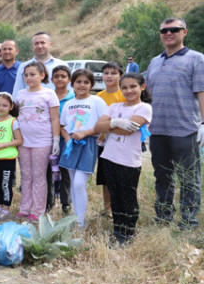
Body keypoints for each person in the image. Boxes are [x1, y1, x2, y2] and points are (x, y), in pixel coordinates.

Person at [145, 17, 204, 229]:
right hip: (159, 130)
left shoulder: (197, 59)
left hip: (185, 129)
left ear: (184, 32)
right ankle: (163, 218)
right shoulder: (154, 62)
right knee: (162, 176)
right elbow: (151, 92)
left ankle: (188, 223)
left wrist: (203, 124)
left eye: (174, 29)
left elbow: (201, 92)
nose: (169, 33)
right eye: (164, 30)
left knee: (189, 179)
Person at [95, 72, 151, 245]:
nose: (129, 90)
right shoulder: (114, 107)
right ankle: (118, 230)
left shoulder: (144, 108)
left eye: (133, 86)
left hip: (128, 161)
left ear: (142, 87)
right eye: (124, 87)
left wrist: (110, 126)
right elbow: (98, 127)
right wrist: (115, 123)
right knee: (115, 196)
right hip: (109, 157)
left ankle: (129, 233)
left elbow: (129, 130)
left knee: (127, 197)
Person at [59, 69, 107, 229]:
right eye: (78, 82)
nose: (82, 85)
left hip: (88, 144)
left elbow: (104, 124)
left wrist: (85, 132)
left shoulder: (96, 101)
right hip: (71, 145)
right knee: (73, 182)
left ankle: (81, 221)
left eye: (86, 82)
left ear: (91, 85)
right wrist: (66, 137)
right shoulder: (69, 104)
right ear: (72, 84)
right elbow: (63, 126)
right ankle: (76, 217)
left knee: (80, 183)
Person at [15, 61, 60, 222]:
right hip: (23, 141)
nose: (29, 77)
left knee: (39, 176)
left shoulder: (49, 94)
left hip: (42, 140)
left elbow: (55, 118)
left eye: (32, 74)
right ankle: (25, 207)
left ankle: (38, 210)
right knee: (26, 175)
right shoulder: (20, 94)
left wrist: (56, 140)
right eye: (26, 75)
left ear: (42, 75)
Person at [95, 62, 125, 217]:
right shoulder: (98, 96)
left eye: (113, 73)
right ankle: (108, 209)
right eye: (106, 73)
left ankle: (121, 206)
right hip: (102, 142)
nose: (109, 76)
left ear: (120, 75)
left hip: (120, 140)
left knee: (120, 175)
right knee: (105, 176)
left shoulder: (123, 94)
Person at [0, 92, 22, 221]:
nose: (1, 108)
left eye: (4, 105)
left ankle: (6, 209)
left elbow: (19, 140)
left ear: (11, 107)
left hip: (8, 159)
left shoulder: (13, 121)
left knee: (5, 184)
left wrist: (3, 144)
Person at [49, 65, 74, 215]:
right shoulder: (48, 96)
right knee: (50, 171)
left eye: (63, 76)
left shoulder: (73, 98)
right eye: (56, 76)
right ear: (51, 79)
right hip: (48, 138)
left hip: (65, 139)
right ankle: (49, 201)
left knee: (65, 171)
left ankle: (66, 202)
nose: (59, 79)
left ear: (69, 79)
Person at [11, 32, 68, 97]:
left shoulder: (61, 65)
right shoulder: (23, 66)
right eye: (36, 43)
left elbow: (69, 89)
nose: (39, 46)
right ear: (32, 47)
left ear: (51, 45)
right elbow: (17, 91)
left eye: (43, 43)